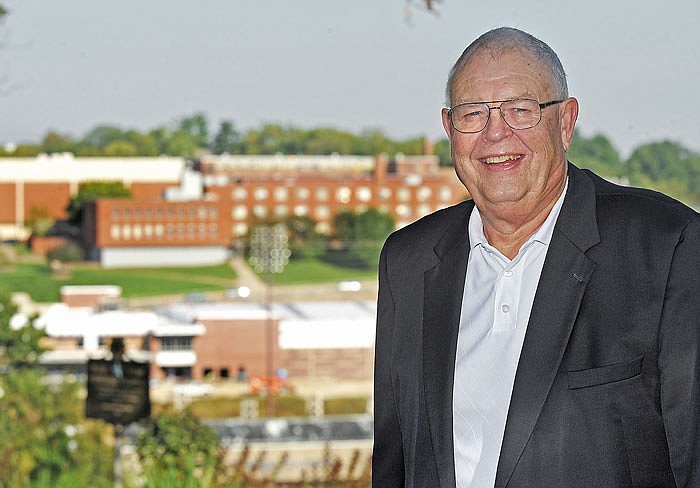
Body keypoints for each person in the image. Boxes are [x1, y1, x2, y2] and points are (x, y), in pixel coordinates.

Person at [372, 27, 700, 487]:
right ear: (449, 128)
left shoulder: (668, 247)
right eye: (473, 114)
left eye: (520, 110)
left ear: (565, 122)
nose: (495, 134)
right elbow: (394, 462)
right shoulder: (409, 260)